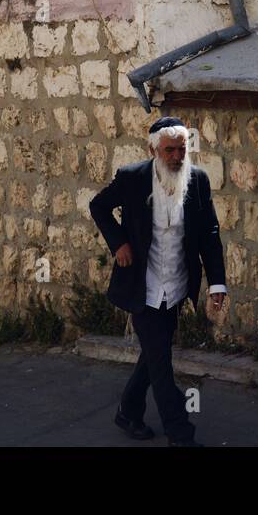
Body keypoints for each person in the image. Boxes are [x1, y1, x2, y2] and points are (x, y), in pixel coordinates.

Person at [88, 116, 227, 446]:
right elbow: (99, 206)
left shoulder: (198, 181)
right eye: (169, 151)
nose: (177, 157)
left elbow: (209, 233)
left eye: (182, 150)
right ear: (152, 149)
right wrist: (118, 242)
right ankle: (181, 435)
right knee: (162, 366)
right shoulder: (132, 179)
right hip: (144, 287)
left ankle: (128, 411)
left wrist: (217, 283)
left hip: (176, 287)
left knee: (154, 355)